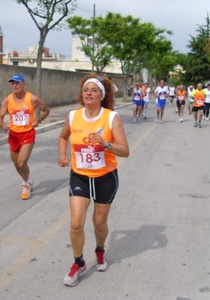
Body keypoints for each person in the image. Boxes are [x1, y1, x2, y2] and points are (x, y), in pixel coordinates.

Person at [57, 74, 129, 287]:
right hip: (80, 175)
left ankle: (99, 250)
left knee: (99, 222)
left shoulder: (111, 118)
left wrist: (106, 144)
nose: (88, 92)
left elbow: (125, 151)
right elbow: (63, 137)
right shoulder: (72, 116)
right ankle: (78, 263)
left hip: (105, 178)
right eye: (85, 89)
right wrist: (63, 154)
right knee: (76, 222)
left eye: (93, 90)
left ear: (101, 95)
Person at [0, 74, 50, 200]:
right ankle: (28, 180)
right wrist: (3, 125)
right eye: (12, 83)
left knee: (21, 162)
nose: (15, 85)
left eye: (17, 83)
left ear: (24, 84)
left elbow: (46, 110)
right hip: (13, 135)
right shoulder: (7, 100)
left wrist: (38, 119)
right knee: (16, 163)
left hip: (28, 134)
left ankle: (25, 185)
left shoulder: (32, 98)